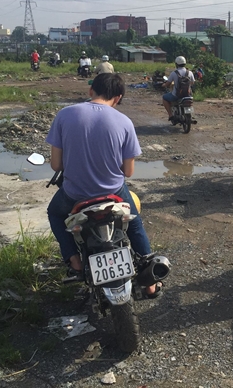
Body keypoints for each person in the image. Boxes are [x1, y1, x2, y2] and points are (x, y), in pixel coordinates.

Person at [46, 73, 161, 297]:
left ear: (91, 91)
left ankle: (74, 260)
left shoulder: (65, 114)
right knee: (135, 225)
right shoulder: (124, 122)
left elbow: (56, 165)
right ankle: (150, 283)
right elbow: (128, 171)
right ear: (117, 98)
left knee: (54, 214)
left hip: (74, 193)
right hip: (114, 192)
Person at [162, 56, 195, 123]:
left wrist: (164, 85)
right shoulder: (190, 73)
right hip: (188, 95)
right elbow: (192, 82)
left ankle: (171, 115)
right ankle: (190, 115)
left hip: (176, 95)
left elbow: (168, 84)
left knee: (164, 98)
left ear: (176, 64)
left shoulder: (174, 73)